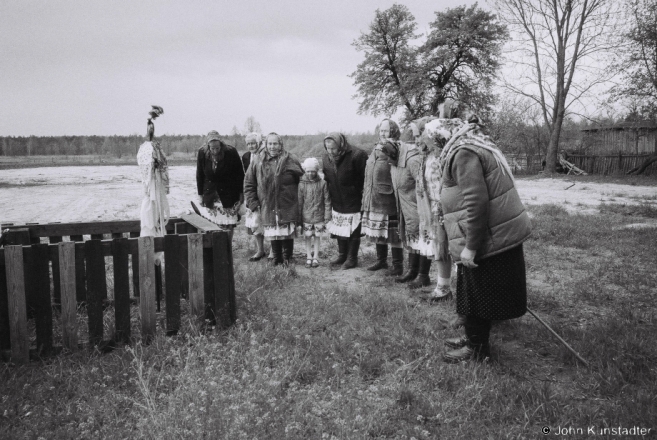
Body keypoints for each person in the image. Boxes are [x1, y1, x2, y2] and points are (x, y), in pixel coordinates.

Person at [429, 116, 532, 363]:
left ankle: (476, 349)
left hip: (488, 238)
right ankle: (473, 337)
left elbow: (476, 202)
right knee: (473, 291)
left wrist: (471, 247)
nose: (432, 149)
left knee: (478, 294)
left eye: (432, 143)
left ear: (442, 138)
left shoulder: (463, 154)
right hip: (495, 233)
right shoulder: (474, 146)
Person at [244, 132, 304, 266]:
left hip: (287, 202)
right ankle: (277, 258)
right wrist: (253, 204)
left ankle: (287, 257)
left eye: (275, 143)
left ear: (280, 144)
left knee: (286, 231)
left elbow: (302, 179)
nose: (272, 147)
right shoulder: (258, 161)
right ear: (265, 144)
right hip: (267, 202)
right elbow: (249, 183)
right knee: (273, 230)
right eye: (270, 143)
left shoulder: (291, 159)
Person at [412, 116, 455, 298]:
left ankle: (455, 290)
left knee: (449, 249)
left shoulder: (443, 155)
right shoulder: (426, 156)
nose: (416, 140)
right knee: (439, 249)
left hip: (446, 208)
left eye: (419, 135)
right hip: (432, 209)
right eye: (414, 136)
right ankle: (443, 287)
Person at [361, 119, 403, 274]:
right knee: (378, 230)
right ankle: (381, 261)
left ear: (393, 131)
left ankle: (398, 266)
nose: (382, 133)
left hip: (388, 196)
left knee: (393, 233)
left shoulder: (395, 146)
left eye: (386, 130)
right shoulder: (376, 147)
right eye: (381, 130)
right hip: (374, 195)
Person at [322, 132, 368, 269]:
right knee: (340, 227)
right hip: (336, 197)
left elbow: (364, 179)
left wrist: (359, 194)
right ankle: (342, 254)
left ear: (341, 145)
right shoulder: (326, 157)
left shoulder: (357, 155)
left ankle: (352, 258)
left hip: (353, 197)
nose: (331, 151)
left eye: (333, 148)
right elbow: (326, 176)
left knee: (353, 229)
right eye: (328, 148)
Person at [390, 124, 426, 284]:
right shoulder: (395, 162)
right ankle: (412, 270)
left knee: (423, 240)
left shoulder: (412, 160)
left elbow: (423, 187)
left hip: (417, 207)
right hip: (405, 207)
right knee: (412, 239)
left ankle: (423, 275)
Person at [192, 131, 245, 237]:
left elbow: (240, 174)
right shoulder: (202, 152)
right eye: (212, 148)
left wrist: (241, 194)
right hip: (210, 194)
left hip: (229, 194)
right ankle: (215, 250)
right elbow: (200, 175)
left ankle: (227, 250)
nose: (215, 151)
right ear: (208, 146)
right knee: (213, 223)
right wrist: (200, 195)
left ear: (221, 144)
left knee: (228, 224)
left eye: (217, 148)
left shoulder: (231, 152)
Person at [137, 105, 169, 238]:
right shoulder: (146, 148)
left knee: (156, 213)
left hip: (156, 188)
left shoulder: (153, 147)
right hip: (151, 189)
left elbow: (162, 165)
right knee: (150, 213)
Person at [298, 157, 331, 268]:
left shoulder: (323, 183)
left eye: (313, 171)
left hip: (319, 215)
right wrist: (299, 216)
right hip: (306, 215)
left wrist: (327, 215)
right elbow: (299, 201)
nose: (310, 173)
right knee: (307, 236)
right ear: (305, 171)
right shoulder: (301, 184)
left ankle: (316, 257)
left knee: (317, 237)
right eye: (308, 171)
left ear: (317, 170)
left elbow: (327, 200)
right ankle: (308, 256)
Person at [242, 132, 268, 261]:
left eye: (253, 143)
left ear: (259, 142)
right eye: (248, 144)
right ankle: (260, 250)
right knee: (255, 222)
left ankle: (274, 251)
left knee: (269, 222)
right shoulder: (246, 157)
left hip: (265, 192)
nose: (251, 146)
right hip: (252, 192)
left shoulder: (266, 153)